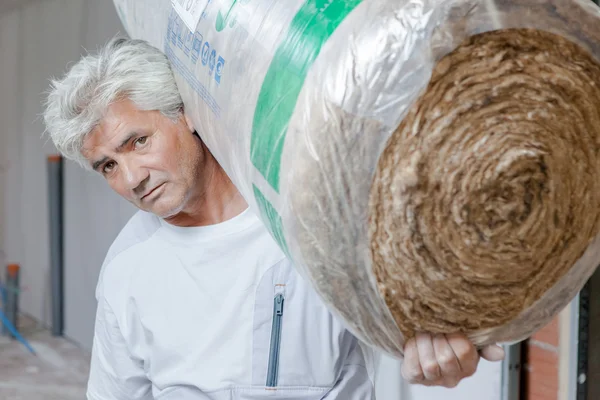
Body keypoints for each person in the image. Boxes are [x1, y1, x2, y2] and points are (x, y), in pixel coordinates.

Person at [43, 37, 505, 399]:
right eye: (107, 166)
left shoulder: (313, 222)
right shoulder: (128, 269)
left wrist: (439, 352)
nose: (131, 178)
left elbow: (430, 331)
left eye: (137, 142)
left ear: (184, 113)